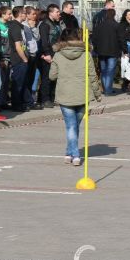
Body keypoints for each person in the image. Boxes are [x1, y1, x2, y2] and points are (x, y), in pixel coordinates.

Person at [49, 28, 101, 166]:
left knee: (71, 126)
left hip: (65, 94)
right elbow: (92, 75)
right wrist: (97, 93)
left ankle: (72, 153)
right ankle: (72, 153)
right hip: (82, 94)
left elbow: (52, 76)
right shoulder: (86, 55)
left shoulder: (58, 55)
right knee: (74, 126)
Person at [91, 9, 124, 96]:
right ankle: (108, 90)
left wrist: (96, 49)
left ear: (106, 15)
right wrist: (124, 50)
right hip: (113, 52)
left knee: (104, 71)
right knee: (110, 71)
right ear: (114, 15)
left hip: (101, 52)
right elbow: (121, 39)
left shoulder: (99, 26)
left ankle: (106, 89)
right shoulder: (117, 25)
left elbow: (94, 39)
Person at [38, 4, 62, 108]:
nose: (59, 14)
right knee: (46, 78)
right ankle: (45, 99)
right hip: (48, 55)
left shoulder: (56, 24)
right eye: (57, 12)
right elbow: (44, 41)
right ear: (50, 13)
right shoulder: (45, 24)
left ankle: (52, 98)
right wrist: (47, 54)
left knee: (54, 77)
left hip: (56, 54)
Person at [8, 6, 30, 112]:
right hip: (18, 59)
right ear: (20, 14)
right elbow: (18, 46)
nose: (26, 15)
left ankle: (23, 102)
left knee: (22, 82)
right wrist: (24, 59)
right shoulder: (15, 26)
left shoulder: (20, 26)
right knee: (18, 83)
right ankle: (16, 105)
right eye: (25, 13)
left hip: (21, 59)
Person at [23, 7, 41, 109]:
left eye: (35, 14)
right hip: (27, 54)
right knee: (26, 79)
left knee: (31, 78)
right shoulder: (24, 25)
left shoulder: (35, 25)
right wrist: (29, 27)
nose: (35, 16)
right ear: (28, 15)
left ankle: (29, 100)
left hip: (34, 54)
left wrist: (34, 28)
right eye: (33, 14)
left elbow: (38, 37)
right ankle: (27, 101)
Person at [0, 6, 13, 110]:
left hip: (9, 56)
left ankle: (3, 101)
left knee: (6, 81)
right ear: (2, 14)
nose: (10, 16)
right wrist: (0, 57)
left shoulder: (9, 25)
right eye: (9, 14)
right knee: (0, 81)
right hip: (1, 57)